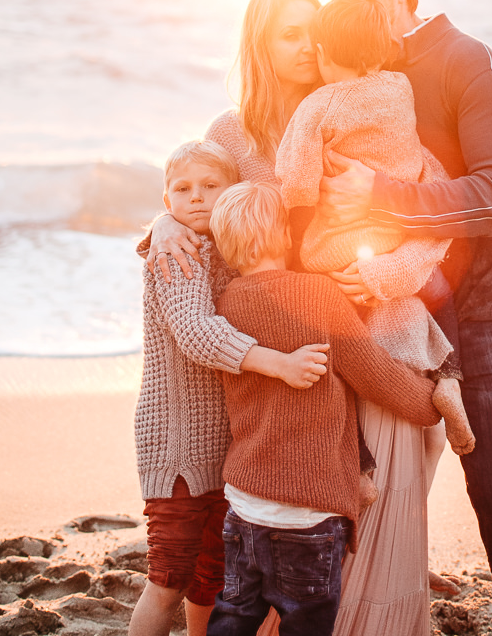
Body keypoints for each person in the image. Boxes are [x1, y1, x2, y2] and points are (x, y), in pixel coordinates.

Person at [148, 0, 453, 634]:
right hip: (277, 328)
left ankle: (390, 575)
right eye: (289, 35)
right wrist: (162, 223)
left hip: (353, 309)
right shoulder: (230, 133)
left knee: (387, 451)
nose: (307, 46)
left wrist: (387, 268)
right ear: (259, 47)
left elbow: (425, 194)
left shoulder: (357, 109)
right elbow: (199, 199)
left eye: (313, 32)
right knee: (284, 488)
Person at [318, 0, 492, 636]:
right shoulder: (349, 67)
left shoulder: (467, 60)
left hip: (480, 305)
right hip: (388, 307)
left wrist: (382, 195)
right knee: (368, 480)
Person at [206, 180, 442, 636]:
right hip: (309, 513)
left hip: (244, 504)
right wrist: (430, 403)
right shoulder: (317, 294)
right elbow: (374, 373)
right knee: (307, 623)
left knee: (234, 616)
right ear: (285, 235)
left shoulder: (226, 303)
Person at [130, 139, 329, 636]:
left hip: (230, 449)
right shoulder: (178, 253)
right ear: (166, 201)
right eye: (182, 190)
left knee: (213, 577)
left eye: (210, 186)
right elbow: (196, 332)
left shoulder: (231, 252)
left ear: (233, 192)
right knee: (169, 576)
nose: (196, 197)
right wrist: (279, 365)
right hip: (176, 446)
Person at [275, 0, 475, 457]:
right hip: (397, 233)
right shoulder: (400, 88)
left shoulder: (319, 103)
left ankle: (361, 462)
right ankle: (449, 376)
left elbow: (296, 183)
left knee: (339, 358)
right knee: (438, 291)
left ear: (323, 52)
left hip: (341, 254)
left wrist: (297, 200)